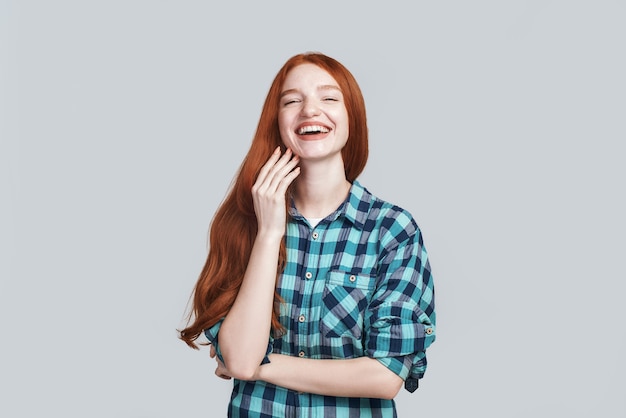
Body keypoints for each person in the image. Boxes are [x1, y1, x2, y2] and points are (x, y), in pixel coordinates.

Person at [179, 52, 436, 417]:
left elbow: (385, 374)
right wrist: (269, 233)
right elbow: (238, 357)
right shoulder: (243, 223)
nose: (310, 110)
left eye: (329, 98)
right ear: (277, 121)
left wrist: (261, 365)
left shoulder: (392, 230)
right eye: (292, 100)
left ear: (353, 120)